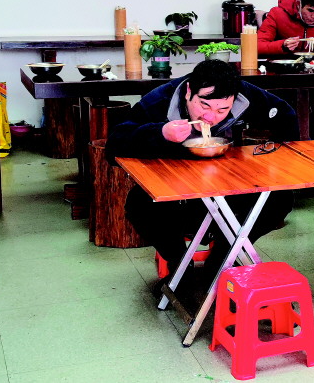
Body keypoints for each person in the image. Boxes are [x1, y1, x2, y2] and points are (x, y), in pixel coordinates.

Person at [105, 59, 299, 302]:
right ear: (189, 91)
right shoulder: (159, 100)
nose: (210, 118)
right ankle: (180, 265)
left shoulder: (244, 94)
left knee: (279, 199)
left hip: (229, 187)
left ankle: (221, 261)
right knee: (139, 204)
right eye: (203, 105)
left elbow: (286, 115)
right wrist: (161, 133)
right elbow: (113, 147)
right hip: (177, 196)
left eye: (222, 110)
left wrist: (275, 158)